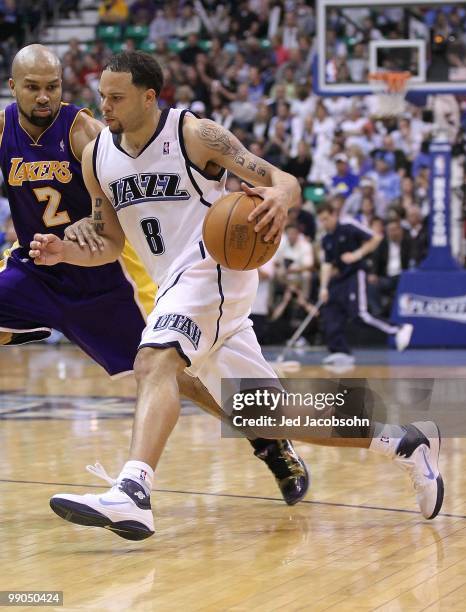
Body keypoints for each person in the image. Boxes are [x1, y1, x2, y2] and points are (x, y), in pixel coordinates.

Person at [31, 52, 443, 540]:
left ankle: (134, 491)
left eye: (117, 97)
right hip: (175, 285)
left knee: (154, 362)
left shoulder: (194, 134)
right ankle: (403, 441)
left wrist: (282, 199)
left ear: (149, 96)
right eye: (102, 95)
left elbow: (282, 180)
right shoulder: (97, 156)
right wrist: (65, 252)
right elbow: (109, 242)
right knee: (264, 412)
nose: (106, 106)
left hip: (214, 267)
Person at [0, 44, 309, 505]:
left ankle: (267, 440)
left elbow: (125, 176)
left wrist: (93, 219)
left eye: (53, 87)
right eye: (33, 88)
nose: (44, 97)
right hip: (43, 265)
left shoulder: (86, 132)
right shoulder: (4, 128)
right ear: (13, 88)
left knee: (173, 373)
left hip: (106, 276)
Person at [316, 203, 413, 366]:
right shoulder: (326, 239)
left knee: (360, 314)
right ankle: (340, 351)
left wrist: (356, 254)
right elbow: (326, 265)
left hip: (355, 274)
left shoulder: (348, 226)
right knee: (331, 310)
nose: (324, 223)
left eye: (326, 219)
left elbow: (376, 238)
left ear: (334, 215)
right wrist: (323, 288)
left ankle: (399, 329)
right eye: (321, 221)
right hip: (339, 279)